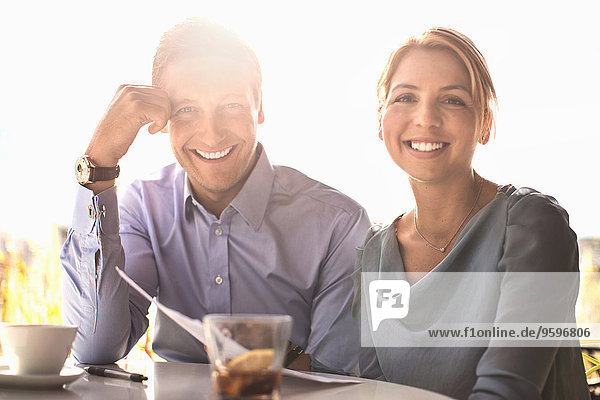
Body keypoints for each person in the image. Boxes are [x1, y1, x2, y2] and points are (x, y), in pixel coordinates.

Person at [60, 18, 370, 374]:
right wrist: (99, 162)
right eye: (187, 109)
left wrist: (259, 357)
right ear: (162, 120)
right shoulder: (144, 207)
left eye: (231, 105)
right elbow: (94, 346)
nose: (211, 134)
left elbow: (339, 375)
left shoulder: (338, 223)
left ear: (260, 107)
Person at [353, 27, 590, 399]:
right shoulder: (374, 253)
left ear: (485, 124)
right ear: (380, 121)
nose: (425, 118)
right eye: (405, 97)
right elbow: (374, 390)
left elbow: (509, 390)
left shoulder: (533, 226)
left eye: (453, 101)